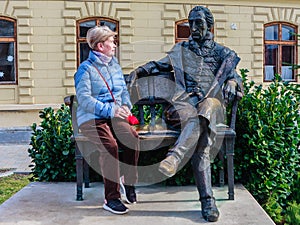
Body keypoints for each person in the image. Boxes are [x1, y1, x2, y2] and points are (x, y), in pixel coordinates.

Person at [129, 6, 243, 222]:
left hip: (211, 106)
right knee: (201, 136)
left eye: (198, 23)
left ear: (210, 25)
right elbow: (157, 66)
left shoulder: (222, 53)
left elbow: (236, 77)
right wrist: (139, 71)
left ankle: (175, 157)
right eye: (190, 23)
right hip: (183, 107)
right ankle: (207, 202)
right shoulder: (180, 51)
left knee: (208, 105)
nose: (193, 28)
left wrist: (232, 81)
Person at [74, 25, 139, 215]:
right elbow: (85, 100)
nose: (114, 45)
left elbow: (123, 92)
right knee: (110, 146)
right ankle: (111, 198)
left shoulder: (114, 65)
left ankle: (129, 182)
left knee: (132, 138)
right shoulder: (85, 69)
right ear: (100, 46)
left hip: (114, 115)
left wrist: (126, 106)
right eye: (111, 42)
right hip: (92, 118)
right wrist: (111, 110)